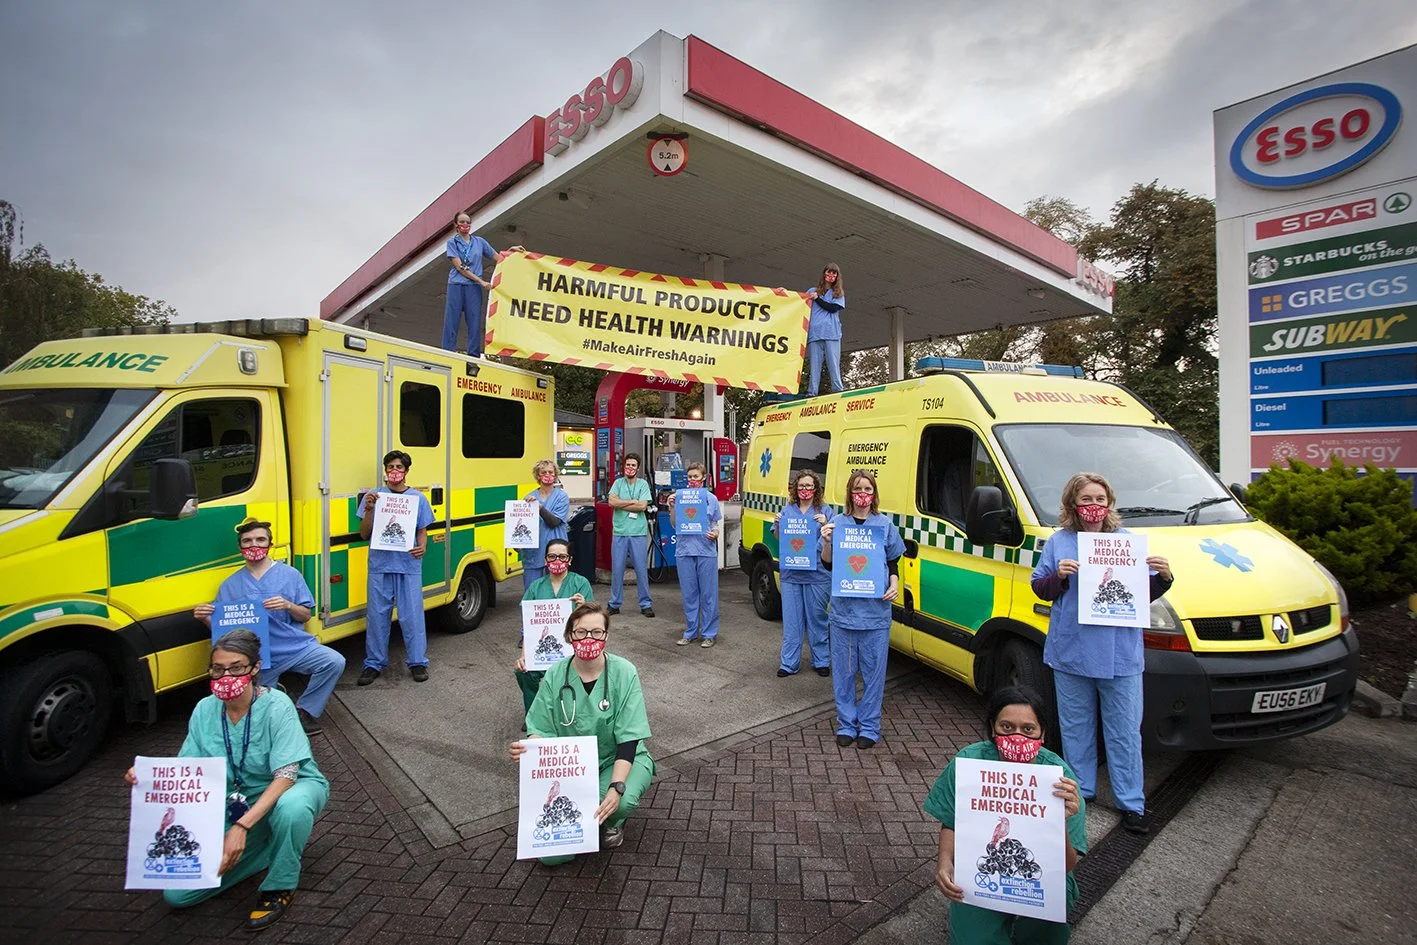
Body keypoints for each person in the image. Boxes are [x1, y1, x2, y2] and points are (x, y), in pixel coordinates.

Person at [126, 629, 329, 931]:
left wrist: (241, 827)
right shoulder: (204, 709)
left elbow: (287, 775)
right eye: (218, 669)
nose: (226, 676)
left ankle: (280, 883)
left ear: (255, 668)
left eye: (236, 668)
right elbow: (188, 769)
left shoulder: (277, 705)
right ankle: (264, 849)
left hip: (288, 789)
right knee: (178, 896)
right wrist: (148, 777)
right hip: (234, 801)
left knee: (292, 808)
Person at [1030, 472, 1173, 835]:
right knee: (1076, 728)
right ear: (1072, 504)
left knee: (1124, 731)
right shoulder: (1058, 542)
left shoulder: (1127, 544)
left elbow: (1137, 597)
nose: (1093, 506)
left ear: (1110, 504)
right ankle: (1081, 791)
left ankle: (1131, 802)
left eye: (1100, 499)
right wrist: (1058, 577)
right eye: (1086, 499)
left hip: (1119, 655)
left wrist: (1163, 579)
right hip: (1072, 652)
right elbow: (1040, 588)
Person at [923, 685, 1087, 945]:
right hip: (982, 875)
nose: (1017, 737)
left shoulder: (1061, 780)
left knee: (1045, 936)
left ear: (1043, 733)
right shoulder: (969, 763)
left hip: (1039, 880)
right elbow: (951, 821)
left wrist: (1061, 820)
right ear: (993, 729)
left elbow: (1066, 865)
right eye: (1007, 727)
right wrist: (944, 863)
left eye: (1028, 729)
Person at [508, 603, 654, 865]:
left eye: (597, 632)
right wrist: (530, 750)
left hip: (617, 761)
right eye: (581, 632)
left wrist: (616, 787)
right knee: (552, 858)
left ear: (606, 635)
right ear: (569, 636)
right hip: (572, 770)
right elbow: (540, 727)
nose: (589, 639)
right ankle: (590, 821)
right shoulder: (555, 675)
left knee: (619, 801)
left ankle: (613, 821)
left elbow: (629, 739)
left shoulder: (624, 672)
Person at [194, 519, 345, 736]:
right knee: (259, 720)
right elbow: (223, 633)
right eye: (247, 541)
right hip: (257, 657)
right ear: (240, 547)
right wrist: (204, 618)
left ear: (270, 544)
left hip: (293, 647)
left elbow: (305, 614)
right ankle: (274, 692)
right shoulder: (230, 584)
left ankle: (305, 710)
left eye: (260, 539)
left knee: (333, 662)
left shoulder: (290, 575)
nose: (253, 545)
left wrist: (288, 605)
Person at [819, 470, 905, 749]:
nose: (863, 494)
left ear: (874, 493)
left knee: (873, 675)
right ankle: (846, 723)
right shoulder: (837, 524)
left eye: (868, 489)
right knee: (843, 674)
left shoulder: (884, 525)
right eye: (858, 489)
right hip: (843, 616)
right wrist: (828, 542)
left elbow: (893, 561)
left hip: (875, 615)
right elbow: (828, 564)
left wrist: (894, 584)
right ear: (850, 493)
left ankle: (869, 726)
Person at [356, 450, 436, 685]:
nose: (394, 471)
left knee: (412, 616)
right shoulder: (374, 497)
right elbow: (364, 534)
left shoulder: (417, 499)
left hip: (408, 564)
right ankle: (373, 663)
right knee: (377, 616)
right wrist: (369, 509)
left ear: (406, 471)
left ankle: (417, 662)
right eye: (390, 467)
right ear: (385, 470)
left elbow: (422, 531)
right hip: (380, 565)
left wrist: (423, 547)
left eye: (399, 467)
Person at [513, 538, 594, 713]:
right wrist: (524, 657)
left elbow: (592, 623)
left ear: (570, 560)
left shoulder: (580, 584)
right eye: (552, 557)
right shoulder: (535, 587)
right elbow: (530, 627)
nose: (557, 561)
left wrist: (582, 606)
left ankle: (575, 712)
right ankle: (535, 715)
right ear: (545, 560)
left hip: (573, 649)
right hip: (543, 651)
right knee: (523, 671)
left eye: (562, 557)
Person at [442, 211, 523, 357]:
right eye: (462, 222)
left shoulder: (479, 242)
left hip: (473, 288)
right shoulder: (452, 243)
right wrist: (481, 281)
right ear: (456, 224)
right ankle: (447, 353)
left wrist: (510, 252)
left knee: (474, 322)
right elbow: (460, 267)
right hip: (457, 284)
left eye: (468, 222)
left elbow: (498, 258)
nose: (465, 225)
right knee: (452, 320)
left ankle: (473, 356)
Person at [774, 469, 831, 677]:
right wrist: (778, 524)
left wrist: (825, 524)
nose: (805, 489)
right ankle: (789, 663)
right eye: (801, 485)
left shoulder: (826, 511)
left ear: (816, 488)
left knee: (817, 619)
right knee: (792, 621)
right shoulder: (787, 511)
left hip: (818, 575)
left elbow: (832, 541)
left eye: (809, 485)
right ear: (795, 488)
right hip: (791, 575)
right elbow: (779, 538)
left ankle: (821, 660)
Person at [668, 462, 722, 648]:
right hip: (684, 550)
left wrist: (716, 534)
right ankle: (691, 632)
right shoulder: (679, 497)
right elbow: (674, 524)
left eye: (696, 477)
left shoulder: (710, 499)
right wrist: (672, 507)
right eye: (690, 477)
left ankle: (709, 634)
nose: (692, 480)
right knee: (689, 594)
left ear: (703, 478)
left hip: (705, 550)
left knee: (708, 594)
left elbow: (715, 524)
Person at [606, 453, 655, 618]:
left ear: (638, 468)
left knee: (641, 570)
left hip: (638, 532)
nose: (630, 468)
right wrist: (632, 501)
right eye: (628, 465)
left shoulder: (643, 484)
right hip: (620, 532)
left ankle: (645, 604)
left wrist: (621, 503)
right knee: (617, 570)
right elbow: (611, 502)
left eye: (633, 465)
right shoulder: (617, 483)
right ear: (624, 466)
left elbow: (642, 506)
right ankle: (614, 603)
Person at [521, 459, 572, 591]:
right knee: (532, 590)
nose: (547, 475)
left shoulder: (561, 497)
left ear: (555, 475)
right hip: (534, 551)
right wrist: (517, 542)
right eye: (543, 472)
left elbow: (554, 522)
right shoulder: (529, 498)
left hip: (556, 549)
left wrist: (540, 508)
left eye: (550, 472)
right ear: (538, 476)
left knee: (557, 590)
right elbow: (522, 524)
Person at [804, 263, 846, 396]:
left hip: (831, 333)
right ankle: (812, 391)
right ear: (824, 273)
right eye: (829, 272)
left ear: (837, 276)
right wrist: (784, 293)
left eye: (834, 273)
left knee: (833, 363)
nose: (831, 275)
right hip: (815, 333)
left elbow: (833, 308)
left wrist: (817, 299)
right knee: (814, 365)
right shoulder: (812, 291)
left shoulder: (838, 293)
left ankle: (837, 389)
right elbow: (799, 300)